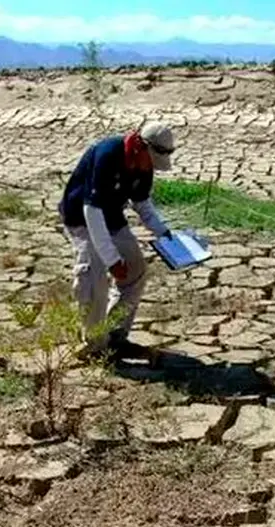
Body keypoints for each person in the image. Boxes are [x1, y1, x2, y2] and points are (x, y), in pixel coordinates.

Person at [59, 121, 176, 361]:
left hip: (112, 217)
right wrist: (112, 260)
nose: (150, 169)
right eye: (151, 162)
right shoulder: (107, 154)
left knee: (136, 271)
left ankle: (114, 335)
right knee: (94, 277)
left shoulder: (145, 166)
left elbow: (142, 203)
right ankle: (94, 344)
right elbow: (91, 211)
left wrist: (163, 232)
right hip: (81, 218)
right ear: (141, 148)